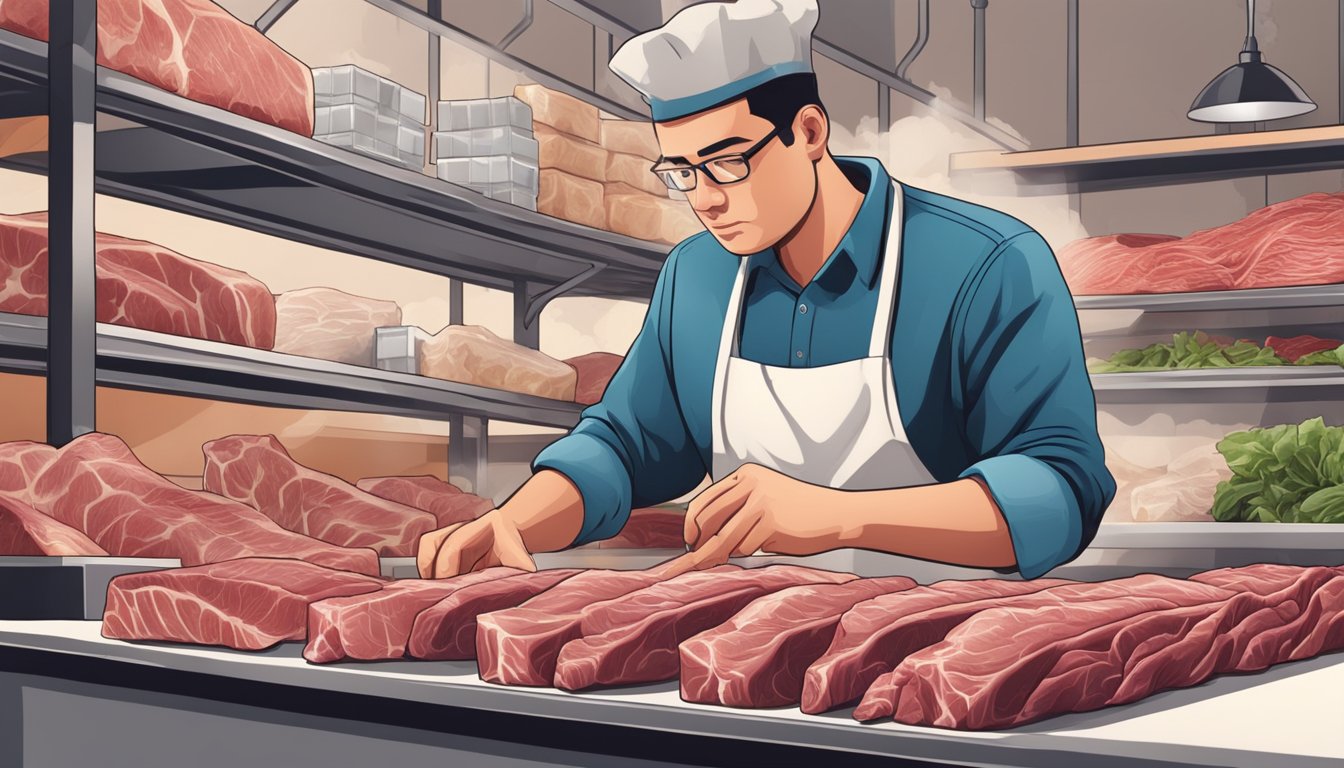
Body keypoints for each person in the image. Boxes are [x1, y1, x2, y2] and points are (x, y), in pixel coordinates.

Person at [417, 0, 1115, 582]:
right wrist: (515, 519)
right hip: (749, 654)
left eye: (725, 163)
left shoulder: (986, 264)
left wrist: (835, 514)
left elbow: (1058, 491)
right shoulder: (696, 277)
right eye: (682, 173)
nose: (706, 201)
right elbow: (625, 445)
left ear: (809, 132)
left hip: (936, 654)